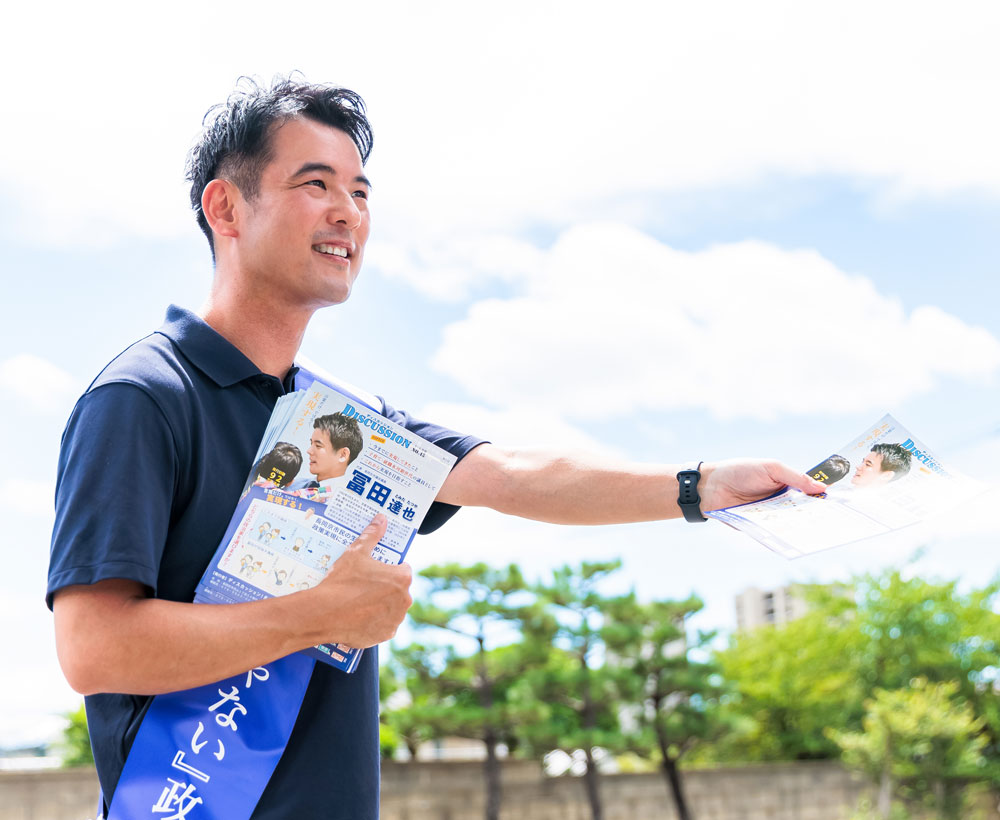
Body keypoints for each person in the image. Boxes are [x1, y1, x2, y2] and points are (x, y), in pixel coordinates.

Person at [47, 76, 826, 819]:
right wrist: (317, 616)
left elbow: (512, 476)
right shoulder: (144, 398)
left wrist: (701, 485)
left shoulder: (342, 423)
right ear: (226, 207)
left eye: (360, 193)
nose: (347, 212)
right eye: (315, 184)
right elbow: (93, 647)